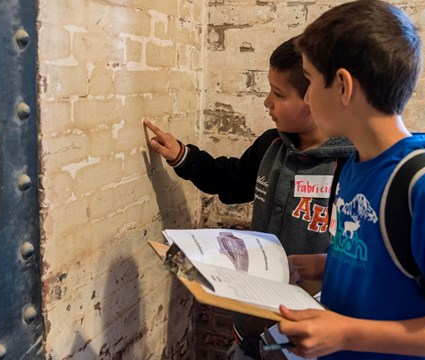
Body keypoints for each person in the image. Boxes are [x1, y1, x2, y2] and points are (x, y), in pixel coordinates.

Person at [277, 1, 425, 359]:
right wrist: (313, 265)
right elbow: (379, 264)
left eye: (309, 81)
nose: (306, 97)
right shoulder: (355, 165)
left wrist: (346, 333)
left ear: (342, 86)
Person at [144, 37, 354, 359]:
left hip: (303, 338)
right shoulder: (271, 145)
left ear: (315, 101)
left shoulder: (351, 168)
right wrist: (183, 157)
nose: (267, 102)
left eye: (278, 94)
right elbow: (232, 180)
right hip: (249, 326)